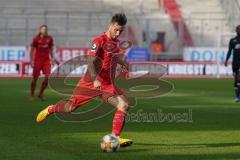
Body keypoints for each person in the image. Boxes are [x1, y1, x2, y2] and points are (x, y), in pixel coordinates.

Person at [36, 13, 133, 147]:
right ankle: (51, 109)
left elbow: (112, 57)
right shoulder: (98, 41)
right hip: (90, 82)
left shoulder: (115, 42)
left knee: (124, 105)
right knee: (70, 107)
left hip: (107, 84)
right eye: (116, 30)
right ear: (111, 25)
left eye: (121, 31)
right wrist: (95, 79)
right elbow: (90, 61)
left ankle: (114, 137)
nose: (118, 33)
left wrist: (122, 63)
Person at [29, 25, 54, 101]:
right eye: (43, 29)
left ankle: (40, 94)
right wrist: (31, 60)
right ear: (40, 30)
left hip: (46, 61)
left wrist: (52, 58)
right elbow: (32, 49)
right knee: (34, 79)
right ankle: (32, 94)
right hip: (37, 61)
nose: (44, 30)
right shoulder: (36, 39)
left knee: (47, 77)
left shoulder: (50, 38)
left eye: (45, 29)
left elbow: (51, 49)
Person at [225, 25, 240, 102]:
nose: (238, 30)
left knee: (239, 79)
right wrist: (226, 60)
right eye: (238, 29)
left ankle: (238, 97)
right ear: (236, 31)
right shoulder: (232, 40)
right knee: (236, 80)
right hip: (235, 63)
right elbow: (229, 51)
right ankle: (237, 97)